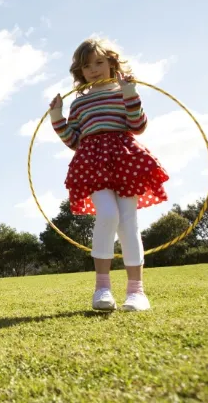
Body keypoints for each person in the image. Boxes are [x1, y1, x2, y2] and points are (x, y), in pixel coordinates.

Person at [49, 38, 169, 312]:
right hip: (92, 160)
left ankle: (136, 292)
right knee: (108, 214)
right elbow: (73, 140)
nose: (93, 70)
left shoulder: (123, 91)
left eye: (99, 63)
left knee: (128, 222)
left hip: (125, 158)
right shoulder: (79, 103)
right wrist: (57, 115)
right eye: (86, 66)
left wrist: (130, 93)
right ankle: (102, 288)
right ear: (80, 72)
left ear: (112, 63)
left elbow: (138, 126)